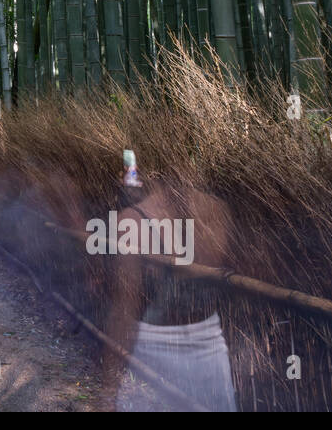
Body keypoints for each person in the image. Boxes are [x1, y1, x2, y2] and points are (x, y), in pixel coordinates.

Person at [100, 150, 238, 412]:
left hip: (162, 350)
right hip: (208, 348)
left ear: (149, 168)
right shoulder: (218, 210)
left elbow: (123, 310)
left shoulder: (131, 221)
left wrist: (108, 390)